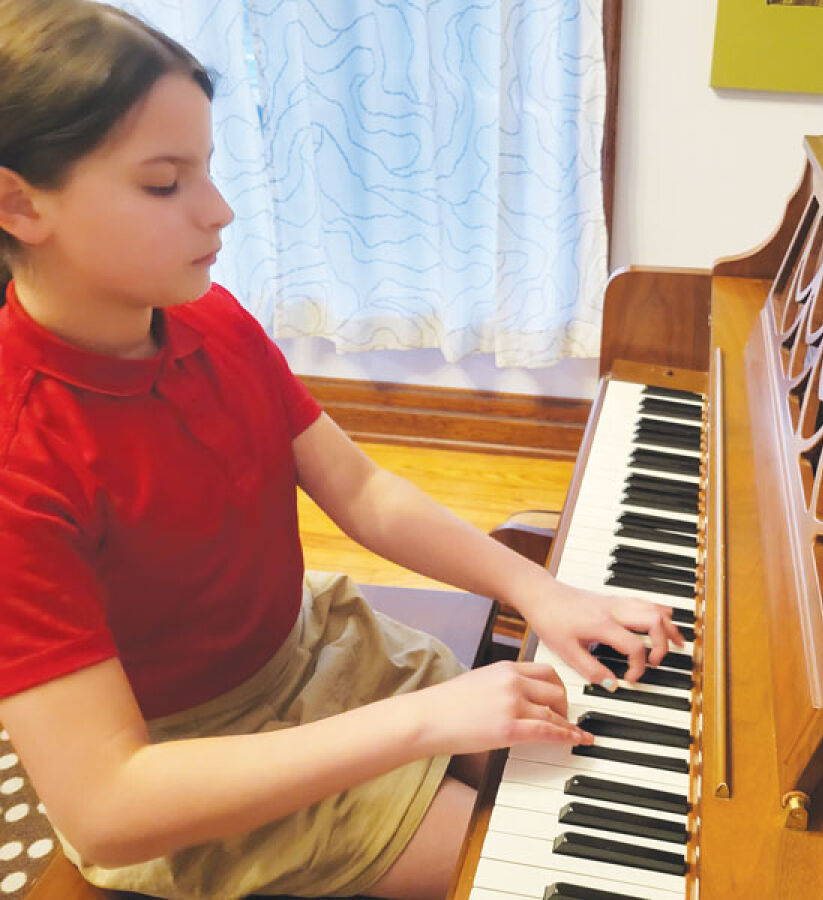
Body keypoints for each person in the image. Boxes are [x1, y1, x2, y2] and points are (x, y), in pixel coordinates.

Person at [0, 2, 684, 897]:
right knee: (529, 858)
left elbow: (360, 490)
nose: (220, 212)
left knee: (578, 758)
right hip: (194, 763)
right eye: (165, 184)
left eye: (208, 169)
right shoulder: (22, 456)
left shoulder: (211, 316)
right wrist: (428, 723)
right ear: (19, 202)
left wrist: (539, 588)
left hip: (314, 646)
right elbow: (106, 805)